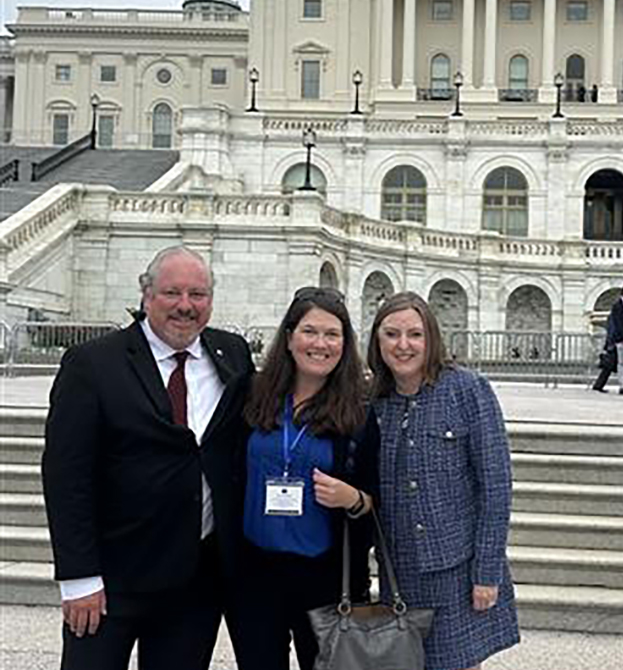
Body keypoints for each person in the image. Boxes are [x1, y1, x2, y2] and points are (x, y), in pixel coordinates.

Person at [41, 246, 254, 670]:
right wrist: (79, 578)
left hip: (195, 582)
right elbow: (66, 476)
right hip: (111, 579)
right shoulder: (93, 364)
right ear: (146, 295)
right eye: (172, 292)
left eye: (198, 294)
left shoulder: (232, 354)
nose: (185, 305)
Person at [367, 292, 520, 670]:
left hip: (457, 571)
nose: (403, 345)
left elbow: (495, 487)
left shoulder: (467, 389)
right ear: (377, 341)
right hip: (399, 571)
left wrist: (487, 573)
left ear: (431, 338)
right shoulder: (373, 400)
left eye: (415, 334)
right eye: (391, 334)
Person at [237, 287, 379, 670]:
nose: (320, 344)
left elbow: (378, 497)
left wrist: (353, 498)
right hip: (256, 571)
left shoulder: (360, 411)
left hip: (325, 577)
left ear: (345, 344)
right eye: (309, 331)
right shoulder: (252, 396)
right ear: (289, 338)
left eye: (332, 334)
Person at [591, 306, 620, 393]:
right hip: (614, 344)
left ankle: (598, 385)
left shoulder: (614, 316)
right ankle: (598, 385)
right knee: (614, 367)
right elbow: (612, 331)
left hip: (613, 344)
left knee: (610, 368)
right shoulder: (614, 317)